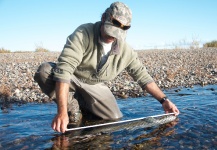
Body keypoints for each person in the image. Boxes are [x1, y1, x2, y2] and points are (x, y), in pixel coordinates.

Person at [34, 1, 179, 133]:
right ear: (104, 18)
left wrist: (164, 100)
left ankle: (84, 105)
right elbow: (64, 70)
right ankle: (73, 108)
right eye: (111, 30)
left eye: (118, 34)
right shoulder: (83, 33)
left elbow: (143, 77)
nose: (112, 36)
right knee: (44, 71)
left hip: (95, 86)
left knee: (114, 119)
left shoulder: (125, 51)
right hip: (73, 78)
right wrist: (62, 111)